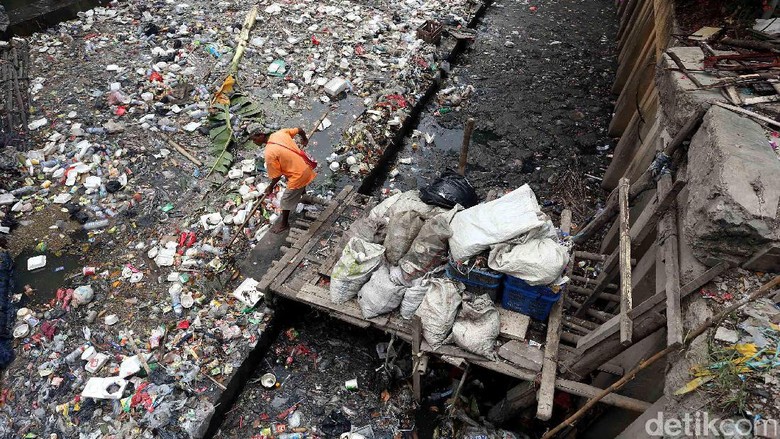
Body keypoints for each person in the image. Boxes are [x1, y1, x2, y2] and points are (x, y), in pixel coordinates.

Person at [249, 125, 316, 233]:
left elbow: (276, 176)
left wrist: (270, 187)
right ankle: (304, 195)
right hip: (306, 166)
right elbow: (299, 129)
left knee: (285, 200)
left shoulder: (269, 153)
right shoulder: (280, 133)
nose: (254, 142)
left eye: (254, 139)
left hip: (299, 175)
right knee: (295, 180)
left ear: (261, 135)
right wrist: (304, 138)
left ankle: (284, 224)